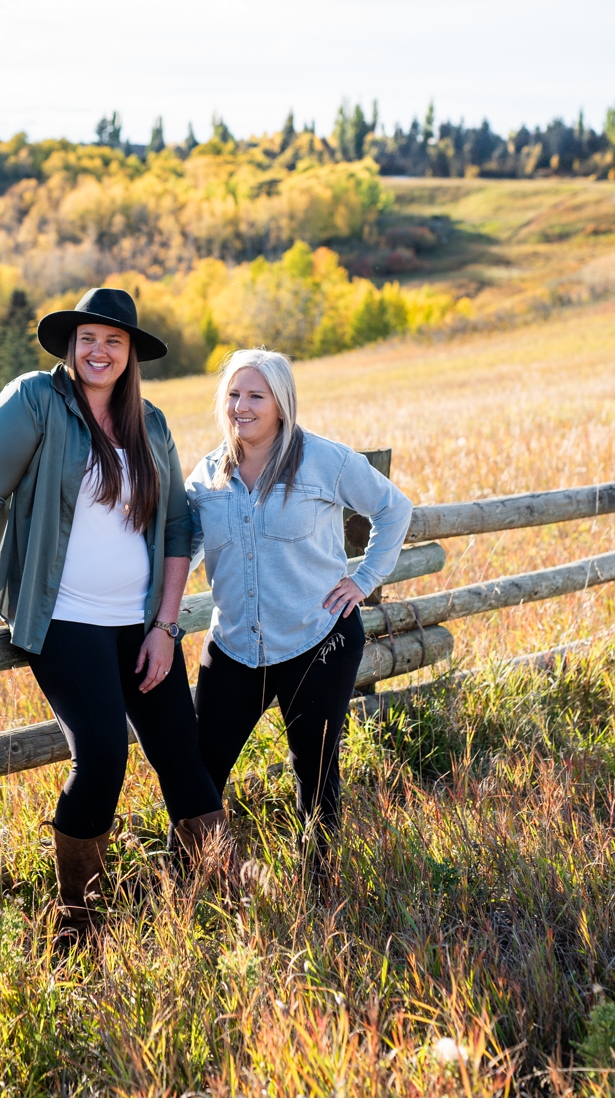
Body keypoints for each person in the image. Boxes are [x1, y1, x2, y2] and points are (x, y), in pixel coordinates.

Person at [0, 287, 223, 943]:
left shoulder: (149, 424)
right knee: (102, 753)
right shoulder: (34, 403)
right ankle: (78, 918)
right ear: (72, 345)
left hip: (140, 621)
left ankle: (221, 881)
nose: (99, 351)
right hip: (64, 618)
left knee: (183, 754)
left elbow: (180, 529)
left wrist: (164, 626)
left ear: (131, 354)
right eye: (89, 338)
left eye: (114, 341)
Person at [185, 348, 412, 867]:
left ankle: (320, 880)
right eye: (234, 395)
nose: (242, 406)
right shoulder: (206, 477)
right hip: (235, 646)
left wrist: (365, 580)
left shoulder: (322, 460)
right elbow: (183, 548)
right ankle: (199, 877)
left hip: (318, 640)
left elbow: (393, 508)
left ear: (281, 404)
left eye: (255, 396)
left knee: (314, 766)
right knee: (198, 769)